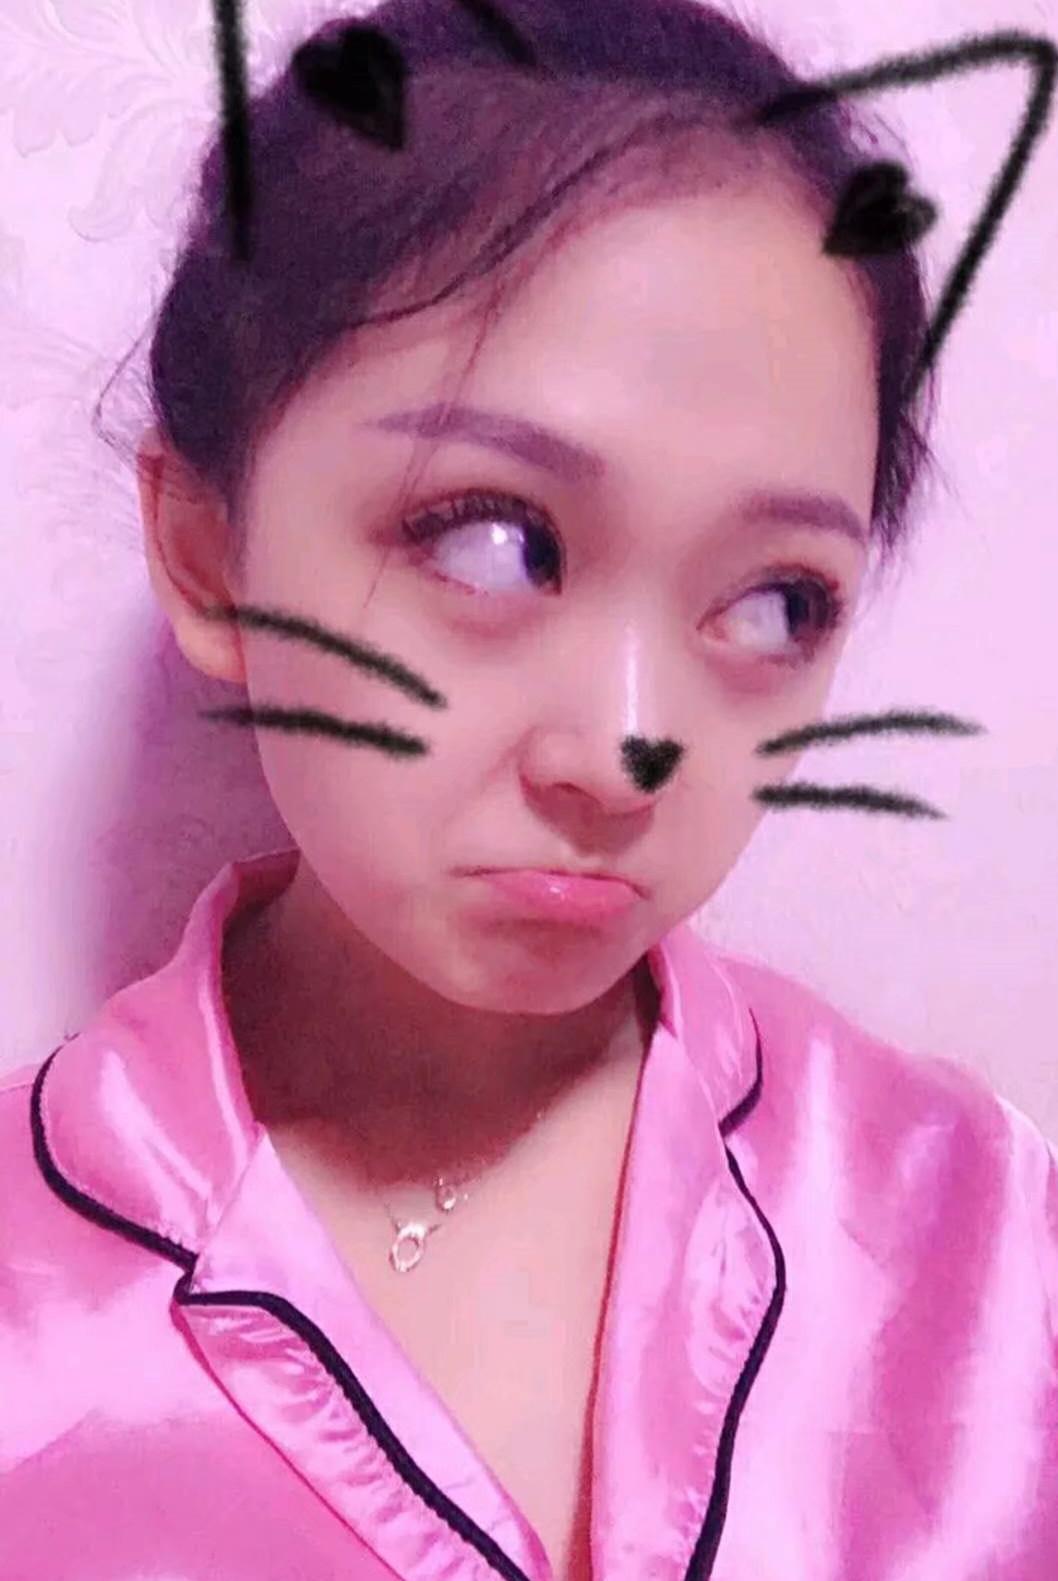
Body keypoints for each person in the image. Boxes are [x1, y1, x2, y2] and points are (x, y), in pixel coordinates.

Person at [2, 2, 1055, 1578]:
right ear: (211, 553)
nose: (626, 751)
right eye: (492, 540)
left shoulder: (980, 1239)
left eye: (775, 601)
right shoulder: (31, 1304)